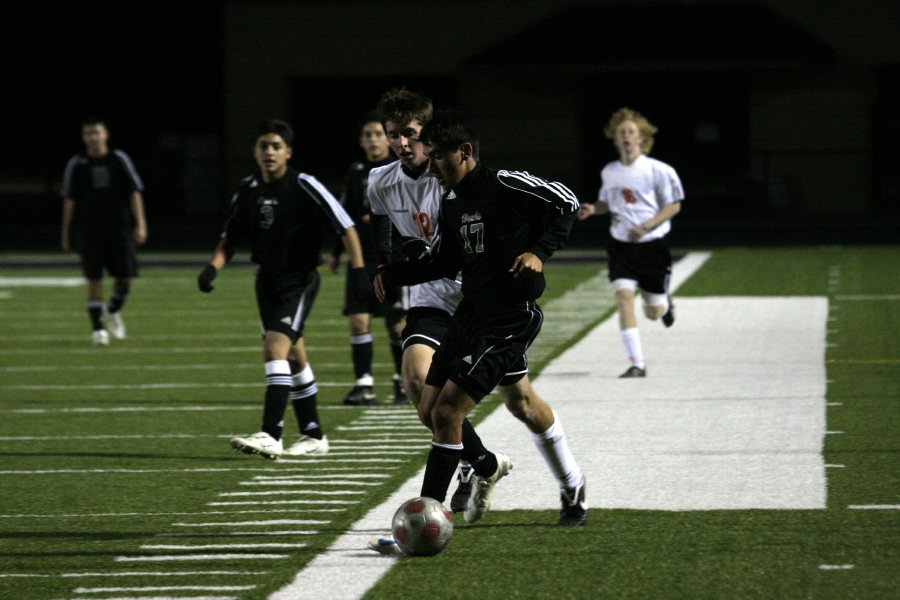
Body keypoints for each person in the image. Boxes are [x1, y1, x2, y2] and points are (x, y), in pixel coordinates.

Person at [379, 108, 588, 530]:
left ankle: (429, 517)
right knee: (499, 405)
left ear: (465, 152)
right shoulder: (453, 201)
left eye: (439, 155)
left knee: (448, 412)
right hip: (471, 317)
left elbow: (567, 201)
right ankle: (560, 479)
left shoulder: (504, 184)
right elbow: (446, 259)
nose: (432, 164)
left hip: (509, 319)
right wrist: (393, 273)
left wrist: (539, 253)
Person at [197, 119, 370, 459]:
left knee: (275, 348)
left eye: (276, 147)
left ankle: (271, 433)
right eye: (264, 146)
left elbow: (346, 226)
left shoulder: (304, 184)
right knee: (292, 356)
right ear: (256, 152)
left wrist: (361, 270)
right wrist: (212, 268)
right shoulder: (248, 189)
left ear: (288, 152)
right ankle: (314, 434)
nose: (269, 152)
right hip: (267, 281)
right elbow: (229, 239)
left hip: (299, 280)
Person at [367, 89, 497, 514]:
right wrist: (387, 264)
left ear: (427, 133)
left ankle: (568, 481)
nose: (403, 144)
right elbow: (383, 226)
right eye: (394, 135)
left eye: (410, 134)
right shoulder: (380, 181)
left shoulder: (453, 175)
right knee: (419, 388)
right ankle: (482, 463)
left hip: (478, 297)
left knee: (524, 404)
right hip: (430, 295)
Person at [577, 107, 684, 378]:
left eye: (631, 132)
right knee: (624, 299)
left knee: (653, 312)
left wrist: (646, 226)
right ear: (614, 137)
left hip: (651, 247)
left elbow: (673, 206)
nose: (626, 136)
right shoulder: (610, 171)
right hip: (620, 247)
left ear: (641, 138)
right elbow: (606, 203)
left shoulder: (659, 170)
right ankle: (637, 363)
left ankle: (665, 302)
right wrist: (593, 209)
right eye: (621, 131)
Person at [329, 111, 407, 406]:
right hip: (360, 257)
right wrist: (337, 253)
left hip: (393, 257)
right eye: (368, 135)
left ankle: (403, 381)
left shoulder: (399, 168)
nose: (374, 139)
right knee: (358, 320)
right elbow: (343, 212)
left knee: (396, 322)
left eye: (379, 134)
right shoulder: (357, 170)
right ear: (361, 141)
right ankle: (364, 384)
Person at [60, 117, 147, 346]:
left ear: (105, 135)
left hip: (119, 228)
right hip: (89, 230)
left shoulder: (118, 159)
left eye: (96, 133)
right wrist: (66, 233)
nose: (93, 137)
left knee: (125, 278)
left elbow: (134, 192)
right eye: (88, 134)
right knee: (93, 278)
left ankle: (112, 309)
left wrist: (141, 223)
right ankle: (98, 330)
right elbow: (70, 200)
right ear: (83, 137)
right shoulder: (77, 163)